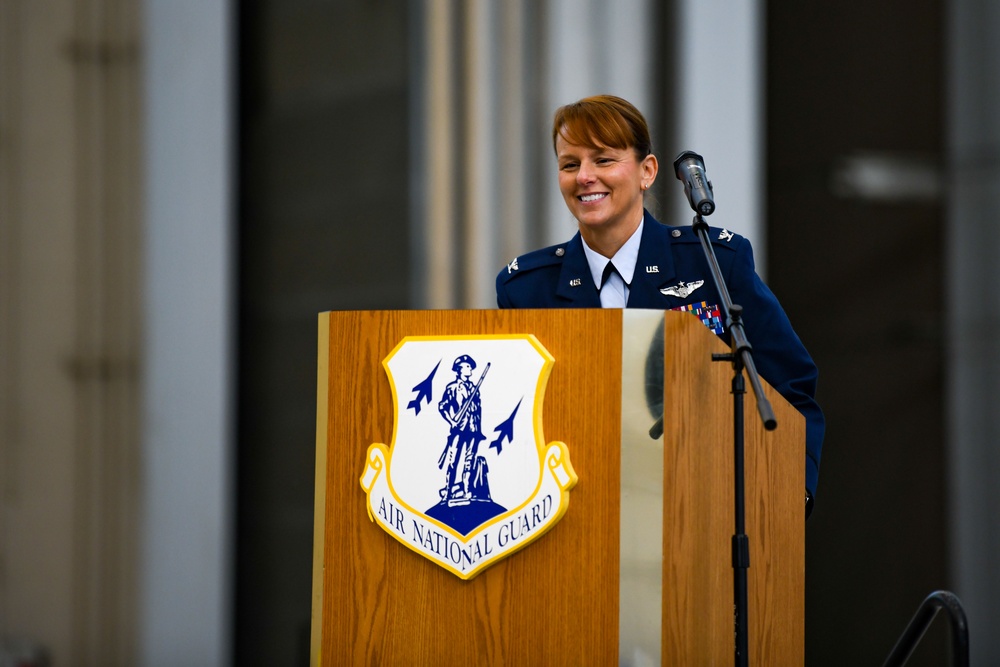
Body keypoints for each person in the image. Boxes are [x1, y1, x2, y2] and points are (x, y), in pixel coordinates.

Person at [495, 95, 825, 516]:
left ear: (646, 171)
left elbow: (789, 386)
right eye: (570, 164)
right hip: (574, 511)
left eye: (603, 160)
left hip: (699, 502)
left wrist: (791, 490)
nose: (585, 177)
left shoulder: (713, 262)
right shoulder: (526, 288)